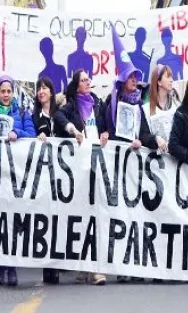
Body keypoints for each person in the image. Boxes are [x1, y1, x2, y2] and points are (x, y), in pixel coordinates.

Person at [53, 69, 108, 286]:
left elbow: (106, 125)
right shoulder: (72, 105)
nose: (88, 82)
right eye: (83, 80)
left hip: (100, 164)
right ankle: (87, 266)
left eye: (88, 79)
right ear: (77, 86)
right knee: (85, 215)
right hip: (81, 167)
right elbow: (58, 116)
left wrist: (106, 132)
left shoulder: (98, 104)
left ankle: (95, 267)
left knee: (98, 214)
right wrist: (72, 129)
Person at [105, 56, 156, 284]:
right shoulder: (112, 102)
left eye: (137, 77)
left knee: (136, 216)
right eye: (131, 77)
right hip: (118, 164)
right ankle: (121, 265)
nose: (135, 80)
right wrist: (113, 137)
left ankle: (134, 264)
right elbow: (106, 128)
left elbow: (144, 132)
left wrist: (147, 141)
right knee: (120, 216)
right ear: (123, 80)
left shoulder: (138, 106)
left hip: (136, 167)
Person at [32, 76, 61, 286]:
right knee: (44, 220)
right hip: (41, 174)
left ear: (51, 91)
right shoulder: (34, 116)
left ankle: (56, 266)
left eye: (45, 88)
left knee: (58, 219)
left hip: (60, 173)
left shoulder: (60, 115)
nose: (41, 91)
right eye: (38, 89)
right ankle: (46, 267)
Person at [144, 64, 178, 154]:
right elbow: (144, 135)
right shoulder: (146, 109)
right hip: (156, 161)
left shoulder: (177, 106)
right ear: (159, 82)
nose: (172, 80)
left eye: (171, 77)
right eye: (168, 77)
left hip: (176, 160)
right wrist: (155, 139)